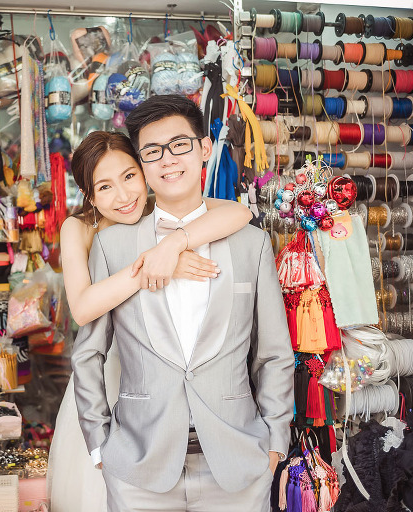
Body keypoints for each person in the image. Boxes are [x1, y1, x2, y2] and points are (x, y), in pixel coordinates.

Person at [71, 95, 295, 511]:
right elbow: (88, 353)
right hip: (138, 467)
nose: (168, 160)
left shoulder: (251, 242)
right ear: (141, 164)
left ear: (205, 148)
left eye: (179, 145)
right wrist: (99, 444)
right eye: (152, 152)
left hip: (239, 463)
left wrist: (275, 440)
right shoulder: (110, 246)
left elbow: (274, 353)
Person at [48, 130, 255, 511]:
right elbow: (83, 307)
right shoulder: (79, 228)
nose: (123, 196)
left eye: (129, 176)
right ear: (90, 196)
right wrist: (158, 264)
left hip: (168, 376)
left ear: (144, 171)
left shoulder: (158, 208)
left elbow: (240, 213)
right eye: (105, 187)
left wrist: (173, 244)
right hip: (112, 373)